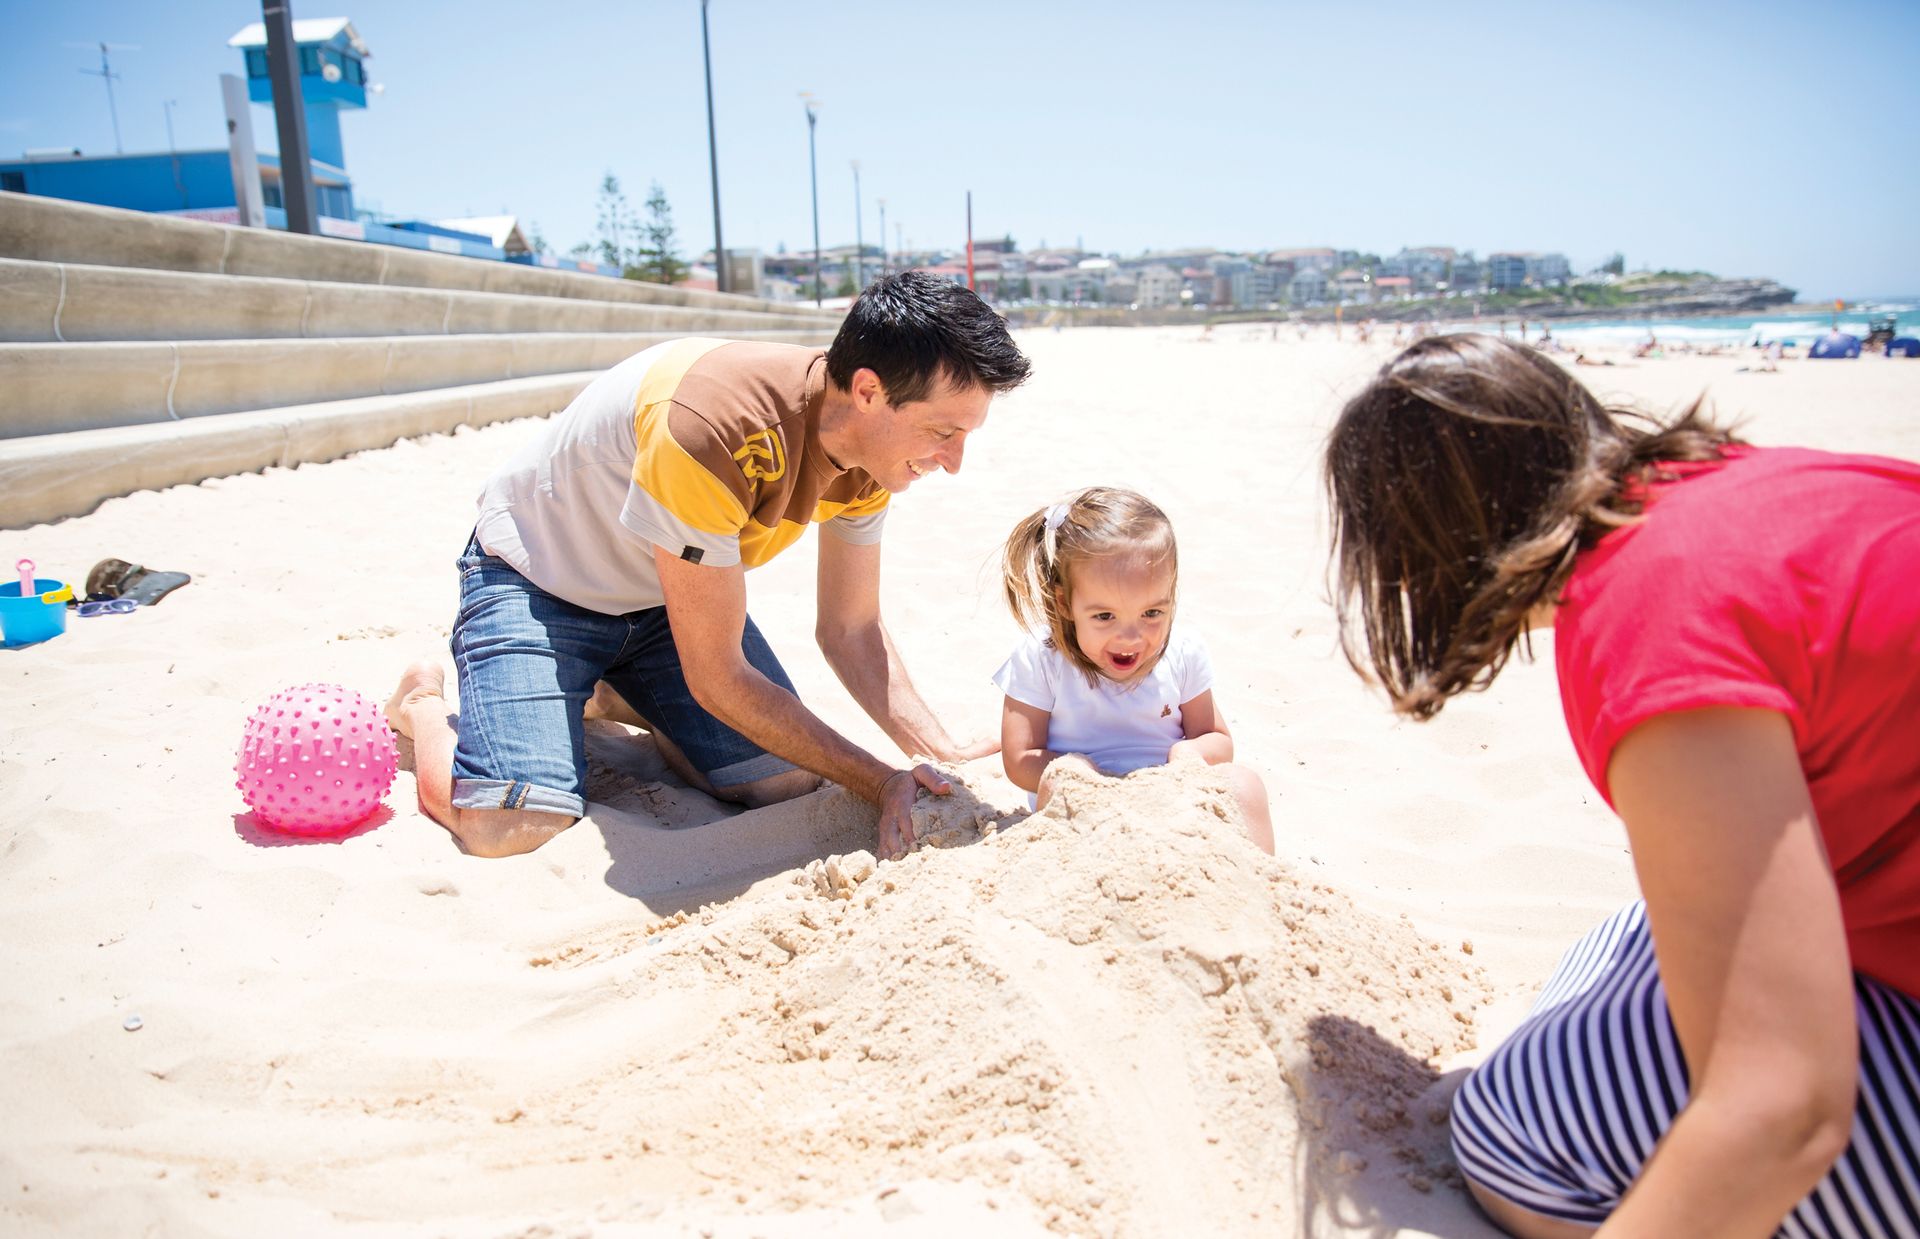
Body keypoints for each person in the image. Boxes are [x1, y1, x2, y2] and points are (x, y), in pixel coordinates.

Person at [1324, 332, 1920, 1236]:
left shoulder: (1652, 608)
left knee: (1510, 1130)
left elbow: (1785, 1106)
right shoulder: (1763, 483)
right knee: (1628, 938)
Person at [386, 273, 1032, 861]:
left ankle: (602, 690)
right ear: (868, 390)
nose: (954, 461)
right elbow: (719, 677)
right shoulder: (711, 428)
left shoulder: (872, 457)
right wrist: (878, 778)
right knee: (510, 826)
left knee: (783, 780)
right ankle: (421, 704)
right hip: (537, 581)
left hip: (661, 603)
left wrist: (933, 749)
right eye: (944, 431)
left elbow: (851, 627)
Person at [991, 487, 1274, 853]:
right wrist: (1078, 769)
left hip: (1171, 799)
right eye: (1104, 616)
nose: (1131, 636)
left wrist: (1188, 756)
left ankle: (1263, 881)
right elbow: (1019, 759)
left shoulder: (1182, 653)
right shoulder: (1040, 658)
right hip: (1084, 807)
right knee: (1064, 781)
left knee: (1245, 784)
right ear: (1065, 603)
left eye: (1152, 613)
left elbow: (1217, 739)